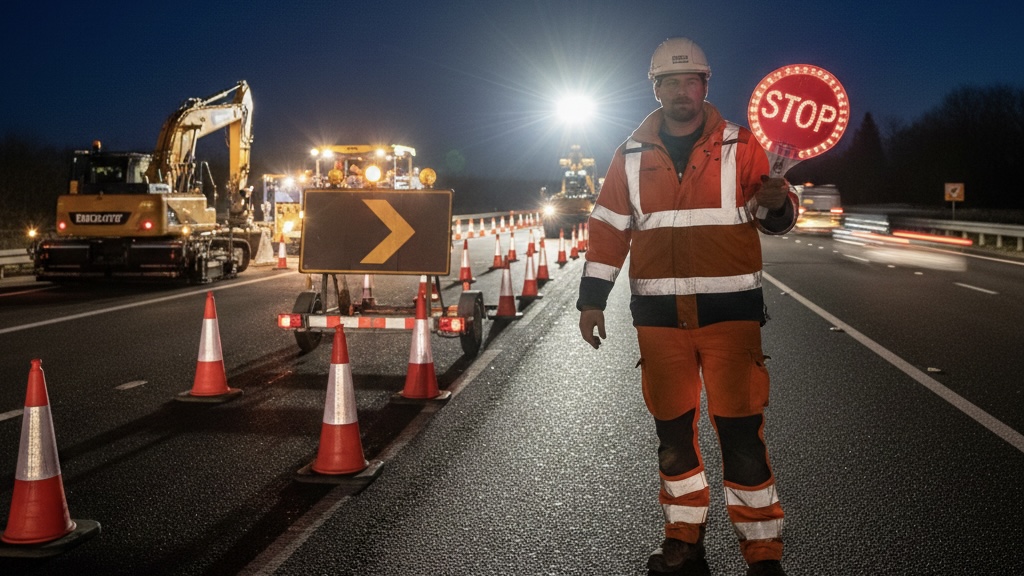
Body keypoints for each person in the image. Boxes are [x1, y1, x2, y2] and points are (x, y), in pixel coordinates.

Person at [576, 38, 796, 576]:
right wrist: (591, 300)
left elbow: (775, 215)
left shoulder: (742, 146)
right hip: (660, 322)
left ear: (706, 85)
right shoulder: (628, 155)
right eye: (670, 82)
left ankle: (763, 553)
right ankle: (683, 543)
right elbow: (608, 230)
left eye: (691, 80)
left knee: (741, 436)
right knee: (673, 438)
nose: (682, 91)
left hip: (731, 318)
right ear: (655, 89)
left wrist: (776, 205)